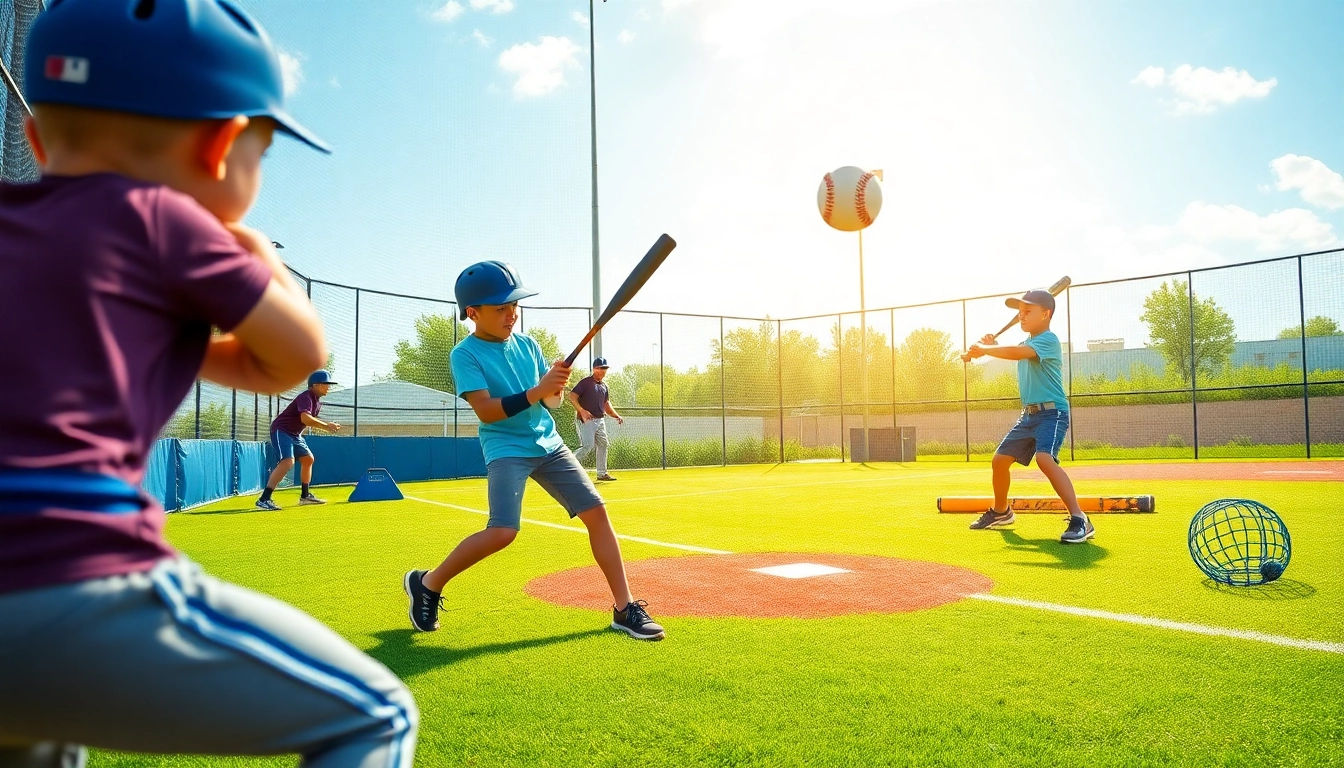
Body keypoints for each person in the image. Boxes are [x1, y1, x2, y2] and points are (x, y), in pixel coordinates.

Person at [0, 2, 417, 765]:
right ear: (223, 146)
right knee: (375, 715)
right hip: (67, 584)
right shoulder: (163, 219)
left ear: (33, 138)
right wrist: (258, 255)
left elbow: (200, 359)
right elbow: (292, 358)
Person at [403, 261, 665, 640]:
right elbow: (488, 411)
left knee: (598, 514)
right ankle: (428, 583)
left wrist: (555, 386)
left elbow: (552, 404)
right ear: (472, 313)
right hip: (506, 446)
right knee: (503, 532)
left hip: (548, 444)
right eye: (500, 308)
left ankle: (625, 609)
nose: (511, 314)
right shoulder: (465, 354)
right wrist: (538, 390)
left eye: (514, 306)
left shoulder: (528, 345)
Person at [961, 289, 1094, 544]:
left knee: (1044, 459)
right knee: (999, 461)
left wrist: (986, 348)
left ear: (1046, 314)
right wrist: (990, 348)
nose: (1021, 317)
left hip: (1052, 413)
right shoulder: (1025, 345)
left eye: (1028, 312)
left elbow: (1017, 353)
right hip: (1028, 416)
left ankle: (1080, 519)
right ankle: (1001, 512)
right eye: (1019, 313)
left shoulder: (1048, 340)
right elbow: (1015, 351)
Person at [256, 370, 342, 510]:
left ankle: (305, 496)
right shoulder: (306, 397)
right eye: (326, 384)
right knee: (287, 461)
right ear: (315, 385)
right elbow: (305, 419)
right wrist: (327, 426)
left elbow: (307, 420)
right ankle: (264, 499)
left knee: (308, 459)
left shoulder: (317, 402)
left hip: (295, 434)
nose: (328, 387)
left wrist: (325, 426)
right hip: (281, 430)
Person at [568, 357, 623, 482]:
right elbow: (572, 396)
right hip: (586, 420)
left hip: (600, 420)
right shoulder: (585, 383)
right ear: (594, 369)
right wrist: (581, 410)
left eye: (605, 368)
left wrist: (616, 415)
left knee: (603, 444)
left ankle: (602, 473)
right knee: (587, 446)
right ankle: (568, 468)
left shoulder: (604, 386)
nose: (603, 371)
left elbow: (606, 404)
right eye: (600, 368)